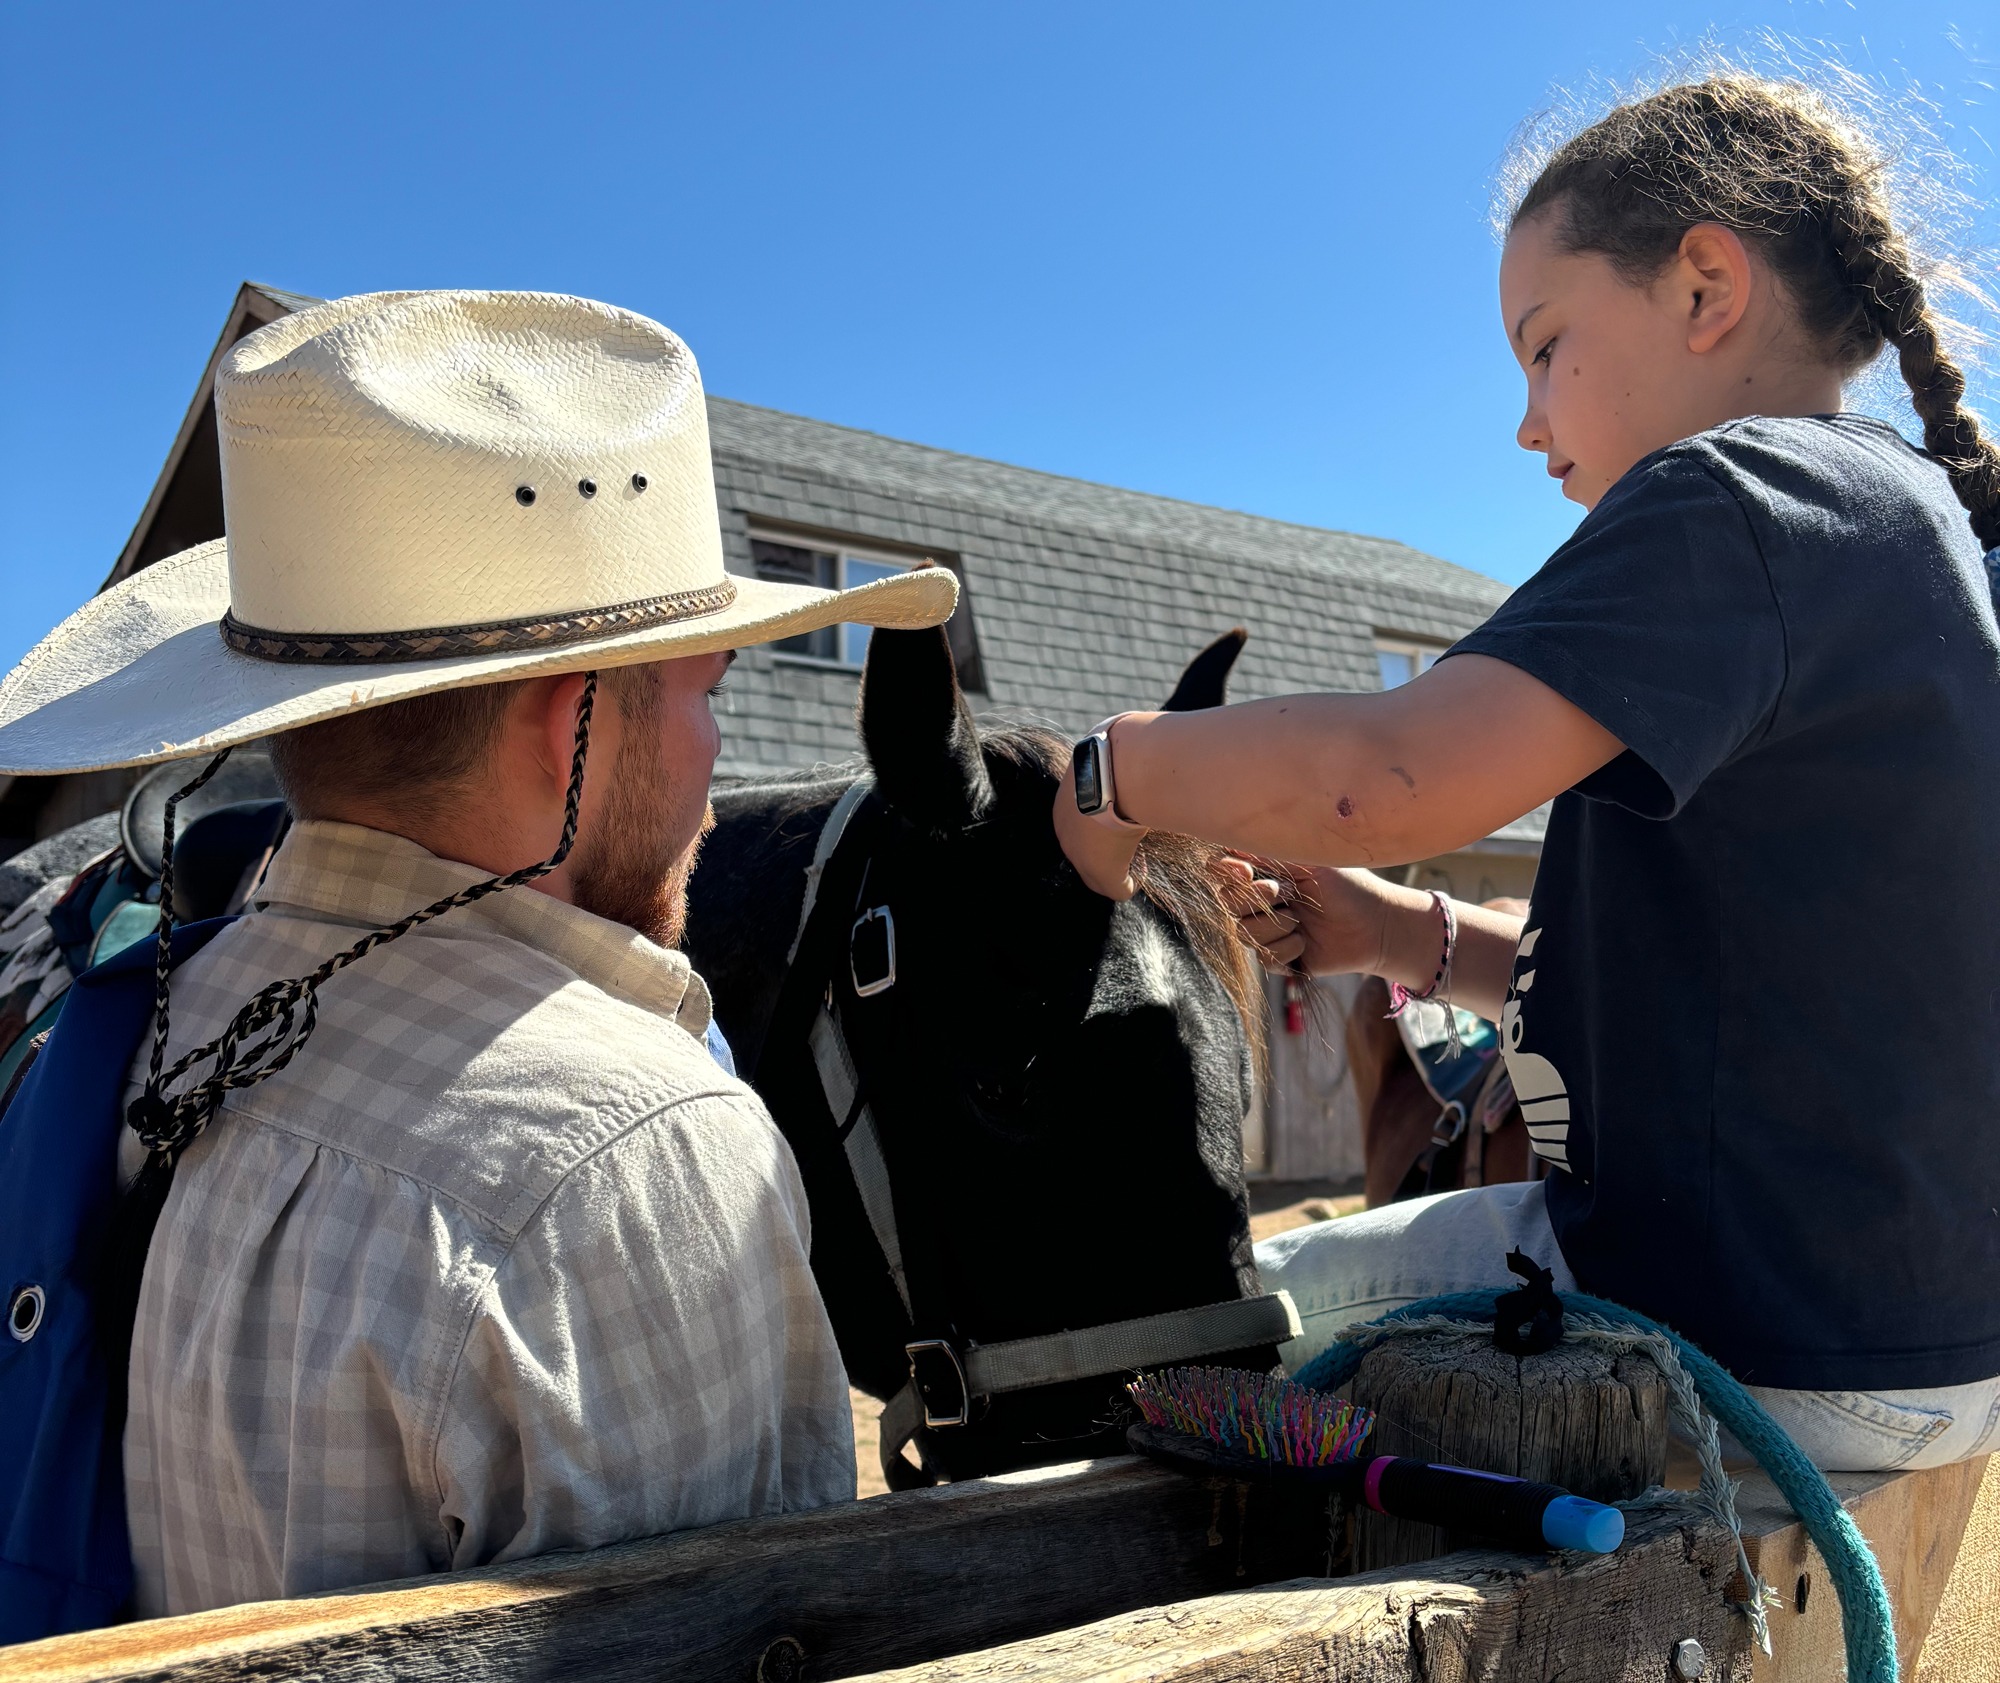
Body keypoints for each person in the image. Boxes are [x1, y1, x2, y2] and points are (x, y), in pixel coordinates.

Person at [1054, 74, 2000, 1472]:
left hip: (1737, 1332)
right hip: (1914, 1344)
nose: (1526, 420)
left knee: (1181, 1322)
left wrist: (1111, 770)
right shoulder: (1913, 541)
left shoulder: (1741, 495)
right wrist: (1392, 933)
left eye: (1545, 346)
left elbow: (1385, 770)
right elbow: (1727, 1013)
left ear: (1705, 287)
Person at [0, 290, 958, 1615]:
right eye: (705, 695)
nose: (716, 759)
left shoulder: (147, 1017)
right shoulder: (632, 1151)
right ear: (569, 729)